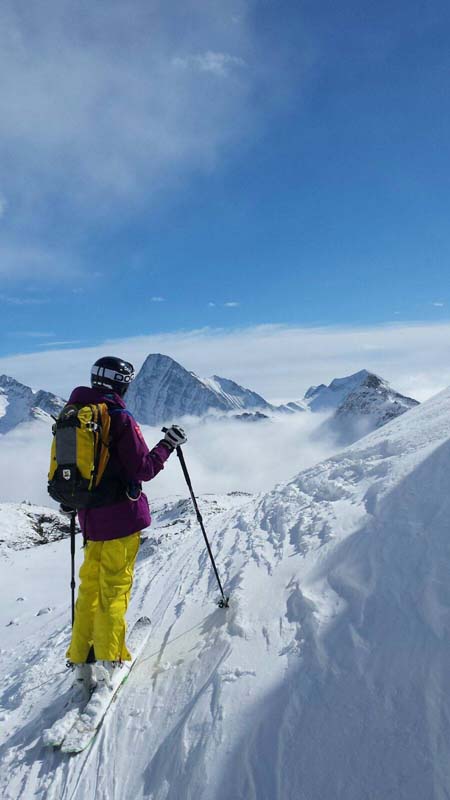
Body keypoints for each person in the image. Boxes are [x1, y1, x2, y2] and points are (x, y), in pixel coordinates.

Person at [65, 355, 186, 691]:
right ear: (122, 383)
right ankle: (110, 658)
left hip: (89, 519)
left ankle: (80, 660)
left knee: (89, 588)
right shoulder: (118, 418)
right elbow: (142, 469)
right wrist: (167, 446)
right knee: (114, 590)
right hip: (120, 518)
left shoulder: (74, 414)